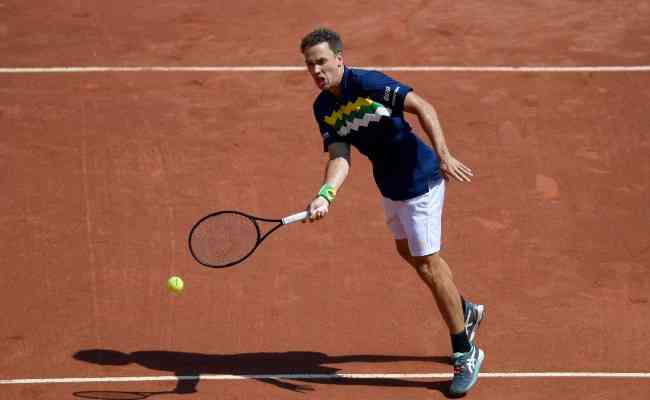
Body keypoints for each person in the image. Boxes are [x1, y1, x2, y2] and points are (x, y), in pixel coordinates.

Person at [300, 27, 486, 396]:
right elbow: (340, 154)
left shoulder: (368, 83)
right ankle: (464, 308)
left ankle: (466, 351)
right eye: (310, 65)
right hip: (389, 185)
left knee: (429, 263)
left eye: (322, 61)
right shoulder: (323, 107)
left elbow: (424, 107)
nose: (317, 70)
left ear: (339, 58)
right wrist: (326, 194)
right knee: (408, 253)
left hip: (421, 180)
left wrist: (445, 155)